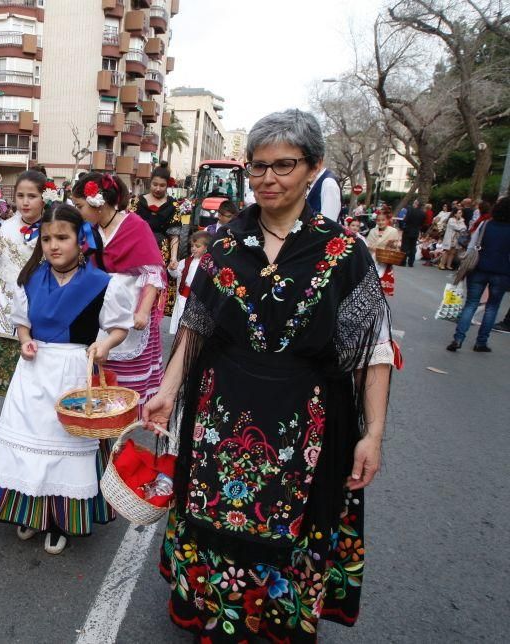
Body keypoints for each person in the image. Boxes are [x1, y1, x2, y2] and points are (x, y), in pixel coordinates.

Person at [144, 109, 392, 641]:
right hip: (223, 413)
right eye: (257, 168)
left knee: (293, 528)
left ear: (314, 168)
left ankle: (274, 618)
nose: (268, 179)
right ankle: (215, 608)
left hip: (308, 422)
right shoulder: (225, 245)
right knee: (217, 517)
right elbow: (197, 326)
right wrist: (166, 391)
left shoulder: (346, 252)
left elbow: (373, 349)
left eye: (283, 165)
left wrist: (373, 434)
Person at [0, 203, 134, 554]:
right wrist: (25, 340)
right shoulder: (30, 279)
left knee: (67, 445)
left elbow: (120, 327)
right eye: (47, 238)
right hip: (33, 372)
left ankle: (61, 519)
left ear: (81, 240)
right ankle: (30, 513)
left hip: (75, 372)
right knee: (29, 443)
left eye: (62, 237)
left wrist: (103, 345)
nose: (53, 245)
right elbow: (21, 321)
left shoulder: (103, 283)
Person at [72, 172, 166, 409]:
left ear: (98, 204)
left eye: (80, 206)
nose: (78, 212)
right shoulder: (89, 231)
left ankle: (126, 426)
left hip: (132, 307)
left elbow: (152, 272)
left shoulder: (135, 226)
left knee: (128, 385)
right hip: (102, 308)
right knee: (101, 371)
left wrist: (143, 311)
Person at [0, 170, 47, 395]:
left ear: (45, 197)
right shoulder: (7, 227)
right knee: (6, 366)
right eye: (20, 195)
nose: (25, 201)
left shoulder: (54, 227)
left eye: (32, 196)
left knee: (37, 363)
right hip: (5, 304)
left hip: (40, 304)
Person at [447, 196, 510, 353]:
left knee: (471, 303)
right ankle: (481, 342)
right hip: (502, 272)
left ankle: (458, 338)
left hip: (479, 268)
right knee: (492, 307)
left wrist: (465, 264)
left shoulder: (485, 224)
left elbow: (472, 245)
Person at [135, 165, 180, 317]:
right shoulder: (137, 202)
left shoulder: (173, 206)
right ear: (150, 183)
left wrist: (173, 258)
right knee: (135, 292)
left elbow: (174, 234)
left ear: (168, 185)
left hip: (161, 254)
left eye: (162, 185)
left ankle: (152, 327)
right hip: (138, 251)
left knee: (156, 294)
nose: (158, 189)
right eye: (155, 184)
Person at [167, 230, 212, 334]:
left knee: (192, 330)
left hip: (198, 301)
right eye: (192, 246)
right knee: (181, 328)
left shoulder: (209, 264)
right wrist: (172, 269)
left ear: (206, 248)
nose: (193, 248)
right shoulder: (186, 261)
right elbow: (177, 275)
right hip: (183, 298)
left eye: (197, 246)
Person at [366, 209, 402, 296]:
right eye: (378, 220)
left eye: (383, 220)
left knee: (381, 281)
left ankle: (378, 297)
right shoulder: (372, 231)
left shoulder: (393, 231)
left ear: (387, 220)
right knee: (370, 279)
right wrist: (371, 247)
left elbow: (396, 245)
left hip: (385, 258)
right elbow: (367, 243)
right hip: (372, 257)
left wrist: (393, 246)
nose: (381, 222)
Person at [401, 199, 424, 267]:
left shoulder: (410, 210)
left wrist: (404, 219)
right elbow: (422, 223)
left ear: (416, 204)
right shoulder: (422, 213)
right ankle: (411, 262)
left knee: (405, 246)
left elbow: (405, 220)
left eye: (414, 203)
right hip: (416, 231)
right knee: (413, 247)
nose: (413, 204)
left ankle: (403, 262)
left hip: (408, 230)